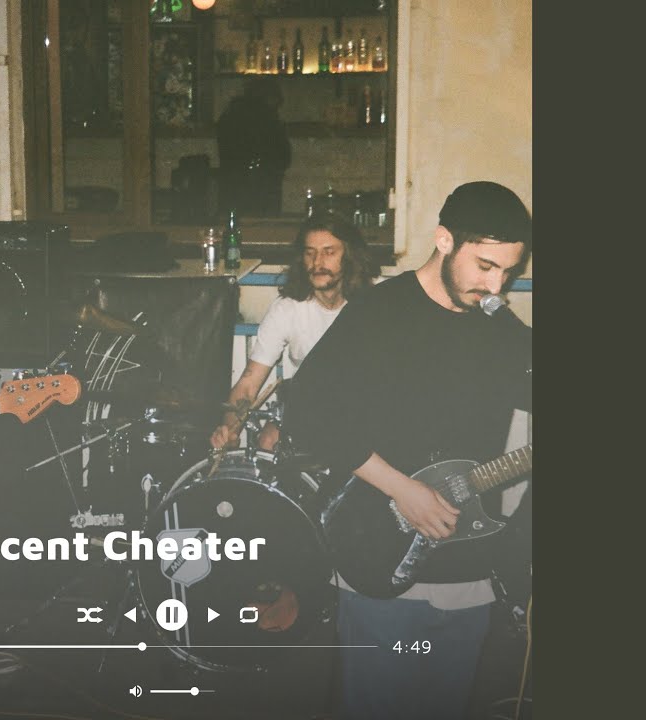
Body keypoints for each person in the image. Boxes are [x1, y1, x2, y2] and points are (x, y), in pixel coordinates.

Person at [284, 181, 533, 720]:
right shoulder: (380, 312)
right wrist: (403, 490)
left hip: (470, 576)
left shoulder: (500, 329)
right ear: (444, 240)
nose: (497, 286)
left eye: (509, 272)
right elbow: (305, 412)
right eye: (486, 266)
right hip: (382, 563)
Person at [210, 214, 378, 452]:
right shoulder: (287, 309)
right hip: (308, 411)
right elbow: (248, 384)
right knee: (268, 441)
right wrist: (230, 430)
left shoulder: (372, 306)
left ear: (350, 256)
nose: (317, 262)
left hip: (360, 412)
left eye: (329, 252)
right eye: (310, 253)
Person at [216, 76, 291, 216]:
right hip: (262, 185)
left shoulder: (231, 114)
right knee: (264, 225)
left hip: (233, 184)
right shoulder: (268, 119)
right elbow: (283, 155)